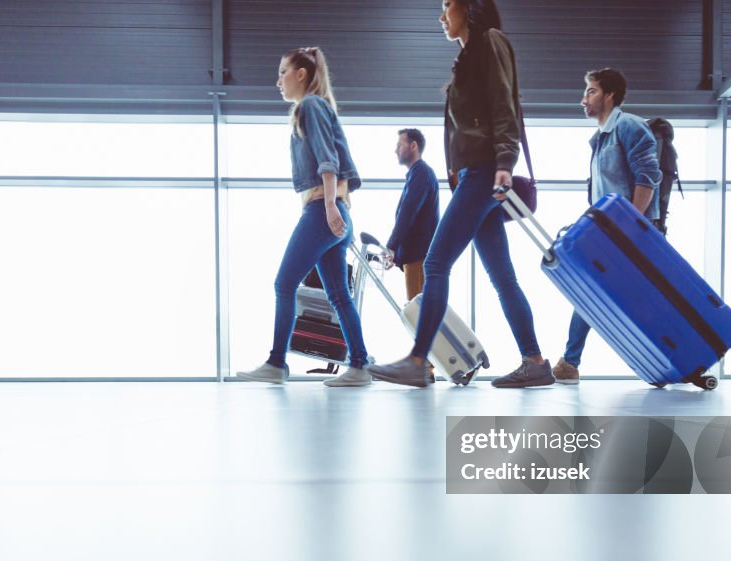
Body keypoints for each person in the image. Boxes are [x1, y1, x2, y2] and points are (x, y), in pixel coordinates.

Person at [368, 0, 553, 389]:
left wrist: (505, 161)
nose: (441, 15)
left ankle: (419, 360)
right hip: (476, 173)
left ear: (469, 7)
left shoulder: (490, 41)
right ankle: (535, 361)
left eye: (447, 5)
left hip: (486, 171)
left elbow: (505, 104)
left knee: (435, 265)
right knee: (503, 278)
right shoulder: (468, 58)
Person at [236, 47, 372, 387]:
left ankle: (276, 362)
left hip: (323, 212)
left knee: (284, 284)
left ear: (301, 74)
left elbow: (328, 160)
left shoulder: (310, 105)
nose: (278, 80)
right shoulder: (312, 108)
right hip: (333, 212)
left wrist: (327, 208)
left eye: (283, 72)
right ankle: (359, 365)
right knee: (339, 295)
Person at [552, 68, 662, 385]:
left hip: (631, 233)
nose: (583, 99)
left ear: (610, 95)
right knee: (590, 290)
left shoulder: (629, 126)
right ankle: (570, 362)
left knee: (622, 295)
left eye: (591, 91)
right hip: (607, 232)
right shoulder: (600, 138)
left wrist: (631, 225)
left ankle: (671, 354)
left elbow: (648, 177)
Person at [384, 128, 439, 304]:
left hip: (419, 256)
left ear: (413, 145)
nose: (395, 150)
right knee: (418, 311)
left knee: (419, 313)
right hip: (415, 256)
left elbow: (408, 211)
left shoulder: (421, 172)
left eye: (400, 145)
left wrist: (391, 246)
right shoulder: (417, 174)